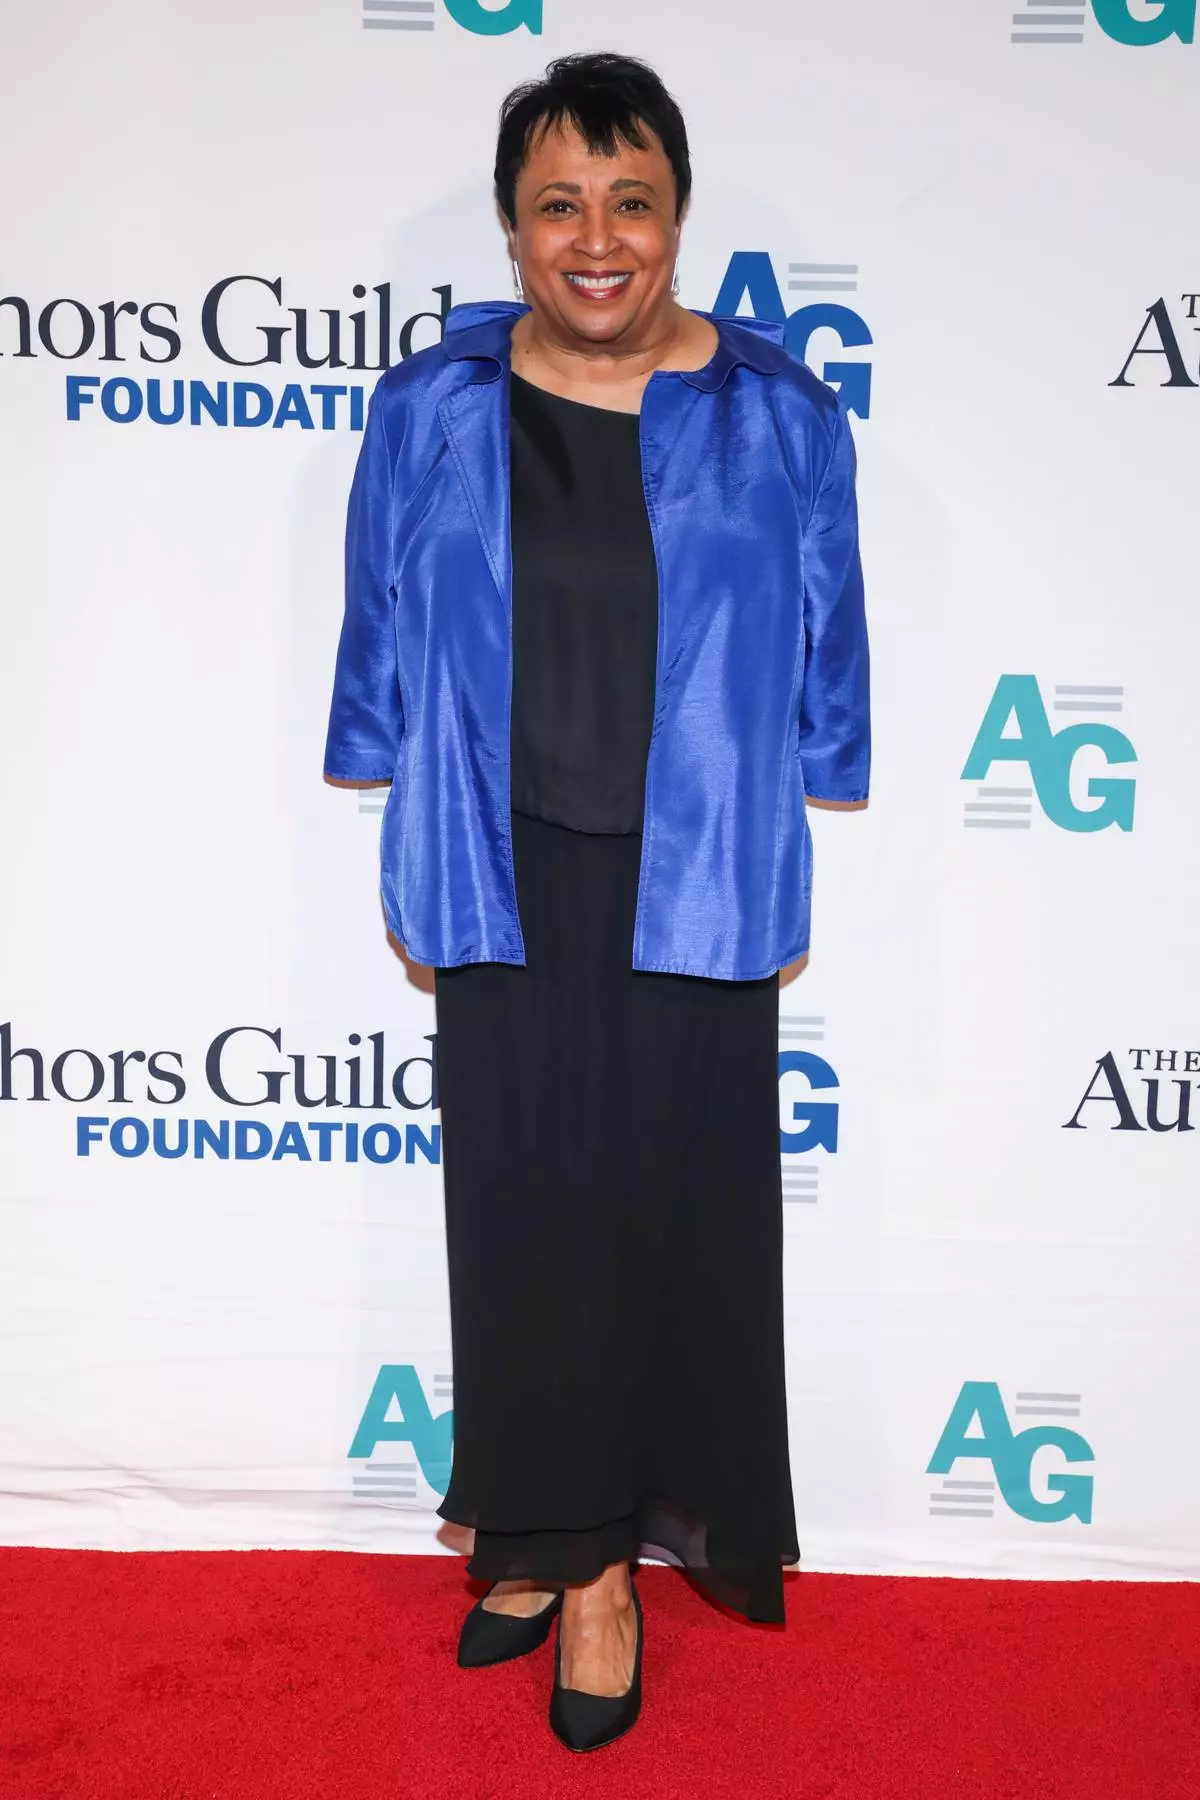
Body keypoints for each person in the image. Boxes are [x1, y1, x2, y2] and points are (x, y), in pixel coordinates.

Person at [324, 50, 870, 1753]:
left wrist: (822, 783)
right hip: (495, 860)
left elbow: (828, 645)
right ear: (511, 227)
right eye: (559, 201)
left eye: (632, 198)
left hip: (695, 876)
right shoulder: (427, 406)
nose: (599, 235)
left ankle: (607, 1570)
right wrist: (379, 794)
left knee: (662, 1218)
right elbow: (379, 630)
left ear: (678, 214)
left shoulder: (780, 411)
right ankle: (534, 1527)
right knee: (517, 1217)